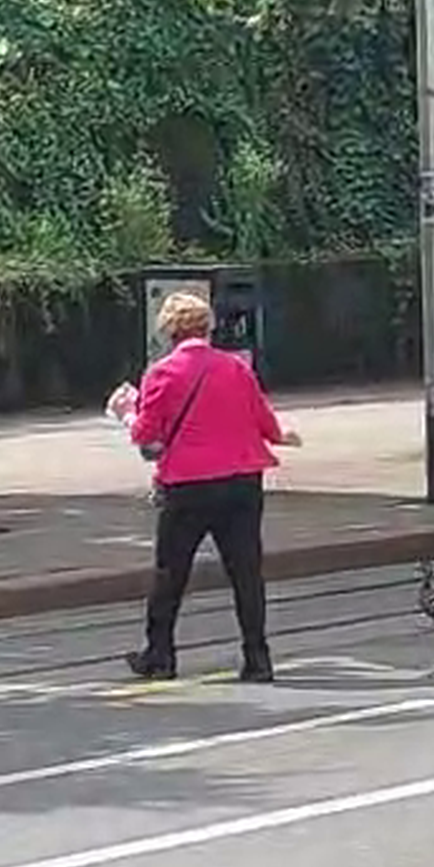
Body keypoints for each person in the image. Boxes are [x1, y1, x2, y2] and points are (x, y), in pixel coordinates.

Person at [115, 292, 300, 683]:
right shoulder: (235, 368)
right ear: (208, 326)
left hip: (188, 485)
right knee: (246, 572)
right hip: (242, 483)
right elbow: (266, 423)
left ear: (169, 330)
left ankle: (160, 656)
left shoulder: (161, 373)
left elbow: (145, 433)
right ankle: (257, 658)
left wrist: (126, 412)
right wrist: (284, 436)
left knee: (171, 571)